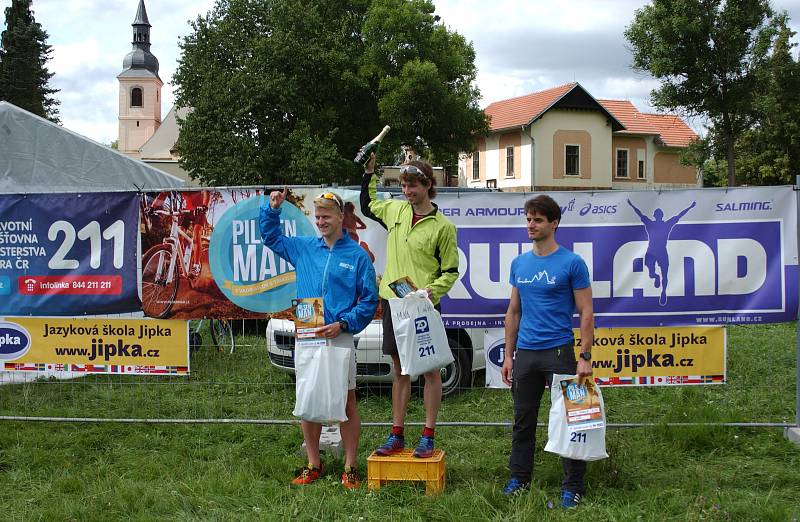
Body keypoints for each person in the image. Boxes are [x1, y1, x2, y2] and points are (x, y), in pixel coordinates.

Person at [260, 188, 379, 488]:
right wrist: (272, 210)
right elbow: (271, 238)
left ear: (341, 217)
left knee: (347, 401)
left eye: (327, 216)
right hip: (308, 333)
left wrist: (344, 323)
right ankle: (314, 462)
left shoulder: (357, 256)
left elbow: (368, 301)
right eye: (318, 216)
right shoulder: (304, 248)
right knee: (308, 397)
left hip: (339, 335)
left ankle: (351, 466)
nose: (321, 221)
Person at [360, 154, 459, 459]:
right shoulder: (395, 211)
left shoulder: (443, 227)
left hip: (423, 308)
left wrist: (433, 292)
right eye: (403, 184)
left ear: (428, 185)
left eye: (413, 185)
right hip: (394, 302)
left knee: (430, 369)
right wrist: (369, 173)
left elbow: (451, 271)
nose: (407, 190)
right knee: (400, 370)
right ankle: (397, 434)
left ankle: (428, 435)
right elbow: (367, 204)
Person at [500, 194, 594, 508]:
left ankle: (572, 487)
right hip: (526, 353)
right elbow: (513, 312)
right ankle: (519, 478)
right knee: (522, 420)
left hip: (560, 353)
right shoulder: (519, 263)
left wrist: (585, 356)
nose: (531, 224)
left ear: (554, 224)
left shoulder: (572, 263)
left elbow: (586, 312)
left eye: (538, 220)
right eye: (528, 219)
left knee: (573, 419)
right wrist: (509, 355)